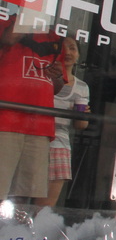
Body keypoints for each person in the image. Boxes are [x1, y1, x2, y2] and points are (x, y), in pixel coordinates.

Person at [0, 9, 64, 203]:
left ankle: (15, 233)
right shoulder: (6, 21)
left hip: (40, 124)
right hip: (6, 120)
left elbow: (58, 87)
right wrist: (27, 16)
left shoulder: (54, 35)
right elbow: (10, 38)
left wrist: (58, 75)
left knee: (26, 193)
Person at [34, 37, 90, 208]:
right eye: (63, 48)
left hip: (60, 144)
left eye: (72, 48)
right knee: (18, 199)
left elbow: (80, 126)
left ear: (79, 55)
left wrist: (82, 116)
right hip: (34, 139)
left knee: (46, 206)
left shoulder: (82, 87)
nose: (68, 53)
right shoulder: (40, 75)